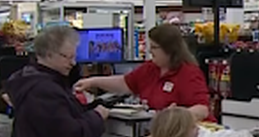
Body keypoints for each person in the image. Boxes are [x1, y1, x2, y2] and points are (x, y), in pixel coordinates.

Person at [74, 24, 213, 121]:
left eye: (154, 47)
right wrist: (92, 82)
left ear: (170, 50)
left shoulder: (189, 74)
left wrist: (174, 117)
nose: (150, 51)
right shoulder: (150, 68)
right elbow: (125, 83)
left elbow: (202, 109)